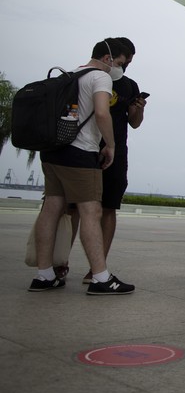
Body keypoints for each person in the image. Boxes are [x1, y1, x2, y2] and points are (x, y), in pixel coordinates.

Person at [29, 38, 135, 294]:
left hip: (53, 152)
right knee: (92, 212)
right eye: (120, 62)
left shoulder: (71, 74)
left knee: (52, 208)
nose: (120, 68)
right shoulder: (101, 78)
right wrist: (109, 145)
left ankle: (44, 275)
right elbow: (101, 112)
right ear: (108, 58)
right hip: (80, 153)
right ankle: (100, 278)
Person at [70, 37, 147, 284]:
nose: (125, 68)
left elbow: (134, 123)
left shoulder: (129, 85)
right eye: (124, 61)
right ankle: (62, 261)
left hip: (116, 154)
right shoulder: (91, 78)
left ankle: (97, 267)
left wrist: (138, 108)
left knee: (108, 207)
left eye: (129, 64)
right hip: (87, 149)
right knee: (72, 209)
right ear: (111, 58)